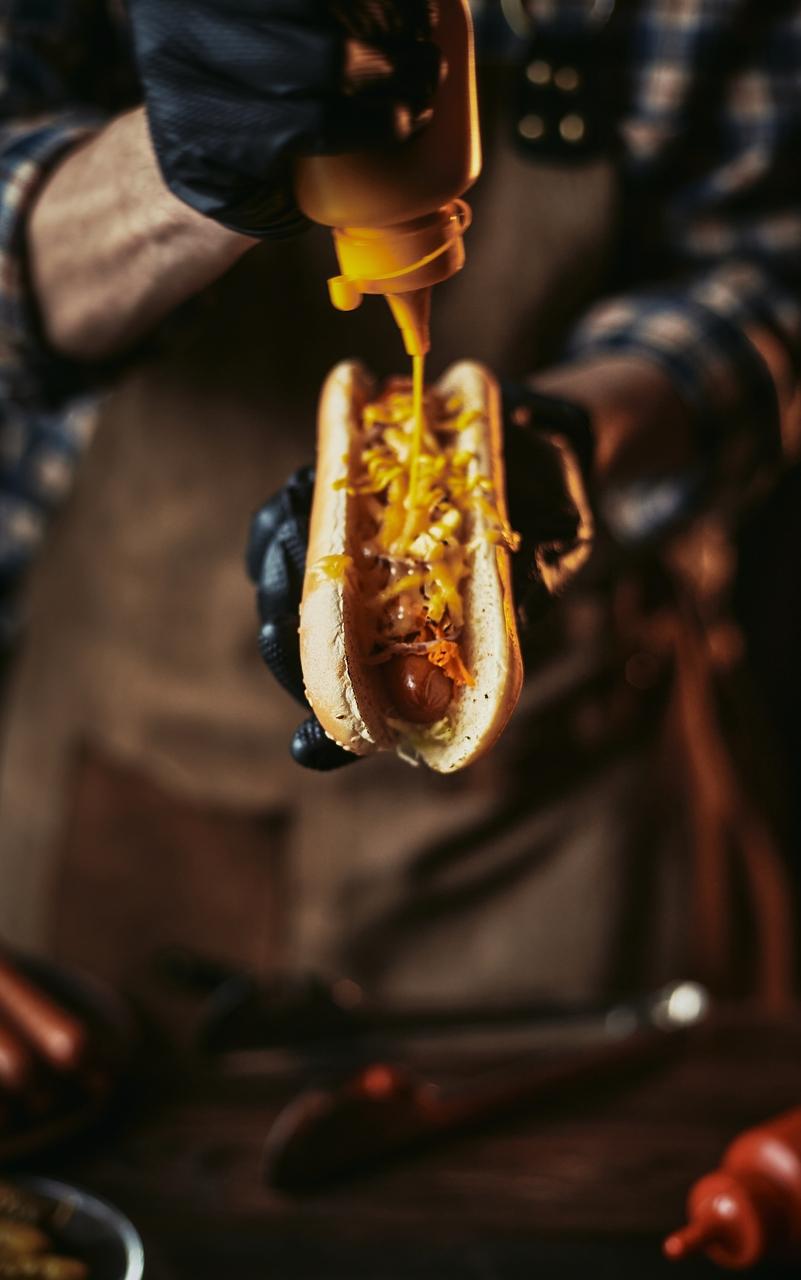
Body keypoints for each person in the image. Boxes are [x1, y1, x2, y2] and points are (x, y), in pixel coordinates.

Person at [0, 1, 799, 1003]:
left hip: (560, 814)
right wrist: (177, 166)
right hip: (126, 775)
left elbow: (766, 279)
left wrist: (567, 437)